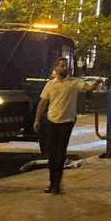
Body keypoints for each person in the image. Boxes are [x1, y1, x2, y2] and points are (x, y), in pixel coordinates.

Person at [32, 57, 94, 194]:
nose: (63, 68)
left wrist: (96, 83)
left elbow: (88, 87)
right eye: (61, 65)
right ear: (56, 68)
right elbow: (42, 103)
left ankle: (56, 185)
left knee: (60, 153)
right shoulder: (50, 84)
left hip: (66, 123)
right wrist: (36, 120)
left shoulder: (73, 83)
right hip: (51, 121)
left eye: (65, 66)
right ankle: (52, 182)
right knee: (51, 154)